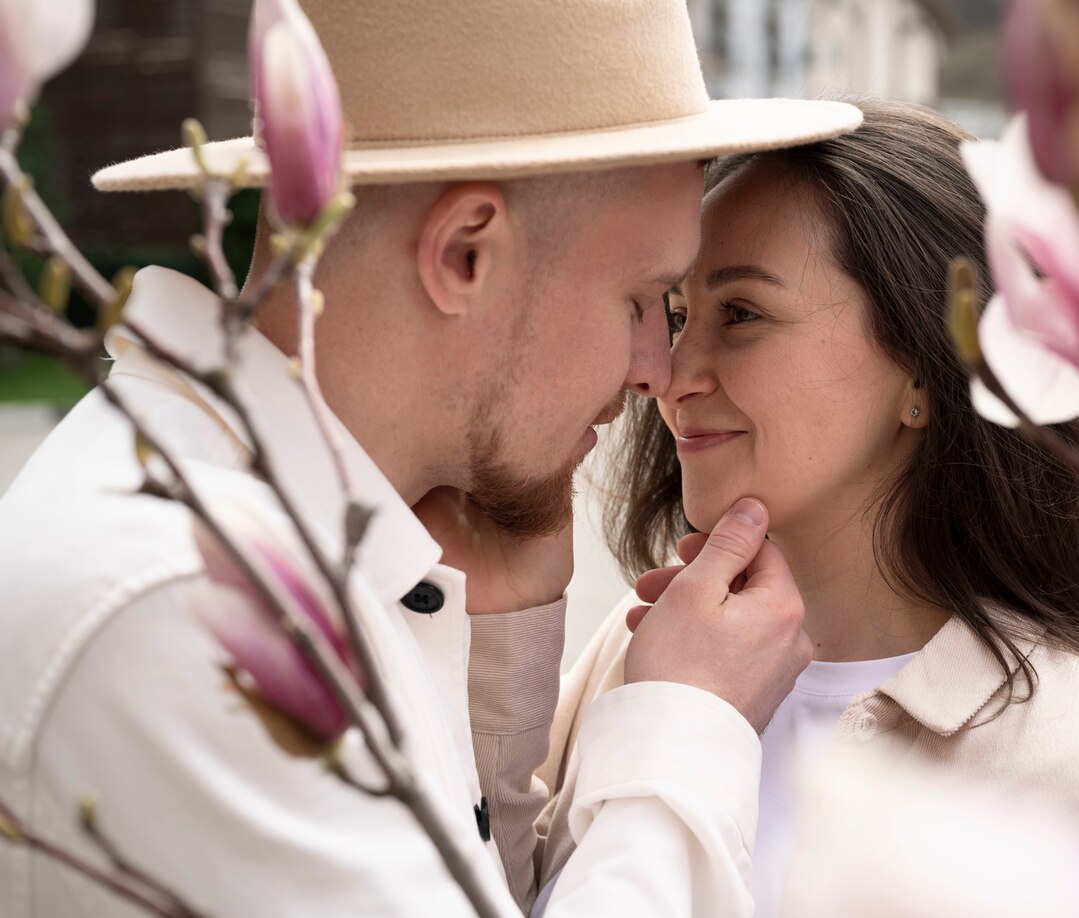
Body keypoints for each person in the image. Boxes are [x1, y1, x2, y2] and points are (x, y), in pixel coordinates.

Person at [0, 1, 862, 915]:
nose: (658, 371)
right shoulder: (202, 597)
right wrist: (692, 724)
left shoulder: (262, 532)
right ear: (464, 254)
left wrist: (495, 660)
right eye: (643, 298)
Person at [517, 99, 1079, 916]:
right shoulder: (641, 652)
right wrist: (505, 621)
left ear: (926, 368)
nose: (672, 375)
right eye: (677, 315)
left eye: (742, 314)